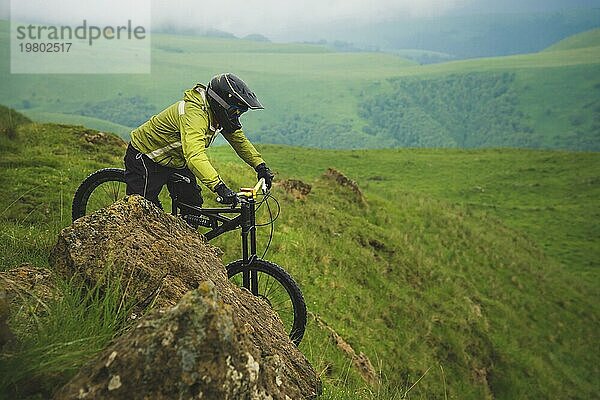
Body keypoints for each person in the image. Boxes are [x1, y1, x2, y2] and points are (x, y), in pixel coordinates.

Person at [124, 73, 274, 222]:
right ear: (221, 104)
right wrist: (219, 187)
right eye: (235, 111)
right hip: (146, 156)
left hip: (176, 159)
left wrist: (260, 166)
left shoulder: (219, 115)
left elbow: (239, 141)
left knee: (192, 205)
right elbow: (195, 155)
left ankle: (182, 243)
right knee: (142, 212)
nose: (236, 116)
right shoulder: (194, 114)